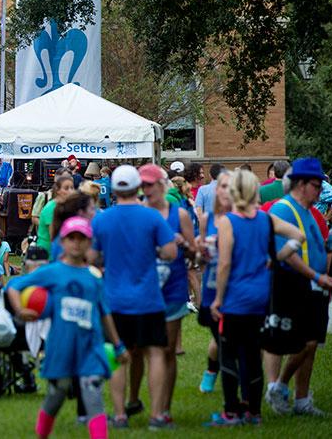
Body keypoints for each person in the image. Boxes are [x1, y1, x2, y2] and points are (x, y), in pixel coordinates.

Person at [207, 169, 315, 426]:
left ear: (234, 191)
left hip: (235, 297)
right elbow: (298, 237)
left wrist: (218, 299)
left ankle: (232, 411)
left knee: (230, 354)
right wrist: (275, 258)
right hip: (261, 296)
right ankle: (254, 411)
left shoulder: (227, 222)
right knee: (253, 354)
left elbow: (224, 264)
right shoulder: (265, 219)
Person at [8, 216, 128, 439]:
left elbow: (105, 313)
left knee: (93, 395)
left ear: (89, 243)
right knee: (57, 392)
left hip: (90, 346)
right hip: (61, 345)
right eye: (71, 238)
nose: (76, 243)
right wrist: (20, 310)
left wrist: (118, 345)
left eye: (81, 238)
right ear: (62, 242)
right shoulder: (52, 271)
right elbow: (14, 286)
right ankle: (42, 433)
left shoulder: (94, 278)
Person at [89, 165, 177, 430]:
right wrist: (155, 252)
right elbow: (171, 252)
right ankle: (157, 415)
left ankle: (119, 415)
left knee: (118, 356)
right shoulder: (152, 218)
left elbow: (92, 259)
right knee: (156, 354)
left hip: (114, 299)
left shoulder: (102, 220)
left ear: (114, 190)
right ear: (138, 187)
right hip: (148, 297)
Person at [265, 157, 332, 416]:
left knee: (312, 344)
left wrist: (328, 277)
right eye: (317, 185)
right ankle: (278, 386)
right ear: (300, 184)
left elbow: (320, 245)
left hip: (314, 285)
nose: (320, 191)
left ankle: (301, 400)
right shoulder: (282, 209)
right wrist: (317, 276)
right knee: (300, 344)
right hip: (290, 283)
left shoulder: (310, 211)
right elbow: (284, 253)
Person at [138, 164, 196, 423]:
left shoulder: (179, 214)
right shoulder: (139, 213)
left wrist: (183, 244)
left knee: (168, 350)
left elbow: (194, 252)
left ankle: (165, 407)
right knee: (152, 350)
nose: (146, 189)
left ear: (163, 185)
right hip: (145, 289)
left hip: (173, 287)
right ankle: (155, 409)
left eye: (150, 184)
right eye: (143, 185)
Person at [196, 171, 232, 395]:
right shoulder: (206, 219)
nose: (224, 191)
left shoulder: (242, 218)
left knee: (230, 338)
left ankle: (235, 388)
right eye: (221, 187)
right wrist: (201, 254)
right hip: (211, 288)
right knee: (219, 339)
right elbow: (200, 258)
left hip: (235, 288)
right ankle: (211, 371)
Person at [36, 173, 75, 253]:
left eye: (72, 188)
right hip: (48, 252)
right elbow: (53, 235)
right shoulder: (51, 208)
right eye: (66, 188)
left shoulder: (66, 206)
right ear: (58, 190)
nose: (70, 191)